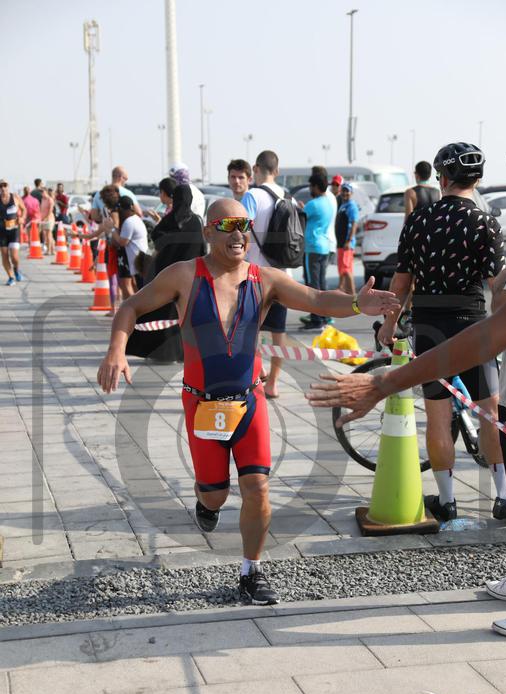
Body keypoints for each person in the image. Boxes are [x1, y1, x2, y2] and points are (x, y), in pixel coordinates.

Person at [97, 198, 399, 605]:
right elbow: (131, 306)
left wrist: (359, 304)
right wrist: (116, 349)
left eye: (245, 224)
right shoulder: (184, 275)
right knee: (215, 495)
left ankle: (250, 571)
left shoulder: (265, 279)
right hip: (202, 404)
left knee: (257, 486)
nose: (239, 234)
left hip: (249, 399)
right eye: (228, 225)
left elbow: (315, 299)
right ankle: (206, 502)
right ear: (209, 232)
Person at [376, 141, 506, 524]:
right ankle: (505, 496)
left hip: (428, 327)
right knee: (489, 412)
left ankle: (447, 500)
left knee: (437, 415)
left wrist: (389, 324)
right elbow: (498, 285)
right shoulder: (486, 222)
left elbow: (401, 282)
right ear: (477, 180)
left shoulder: (418, 220)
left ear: (442, 177)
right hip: (474, 326)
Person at [127, 180, 206, 363]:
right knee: (184, 315)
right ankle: (183, 353)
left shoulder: (169, 220)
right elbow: (202, 249)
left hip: (166, 275)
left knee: (162, 313)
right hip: (189, 277)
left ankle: (160, 353)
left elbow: (156, 238)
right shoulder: (196, 221)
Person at [241, 150, 288, 399]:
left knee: (251, 330)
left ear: (255, 169)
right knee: (278, 332)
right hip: (281, 275)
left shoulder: (252, 195)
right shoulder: (285, 195)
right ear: (277, 171)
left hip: (255, 274)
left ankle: (256, 375)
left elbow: (243, 233)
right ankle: (273, 383)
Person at [299, 171, 334, 331]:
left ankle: (316, 319)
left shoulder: (313, 204)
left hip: (312, 247)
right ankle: (325, 316)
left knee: (312, 285)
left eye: (311, 186)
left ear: (316, 187)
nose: (310, 189)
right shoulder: (328, 203)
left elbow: (301, 215)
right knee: (321, 284)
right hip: (324, 247)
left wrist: (300, 207)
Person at [102, 194, 146, 300]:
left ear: (122, 209)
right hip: (138, 260)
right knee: (136, 286)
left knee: (131, 286)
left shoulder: (129, 222)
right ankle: (136, 307)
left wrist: (112, 229)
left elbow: (122, 242)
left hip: (136, 260)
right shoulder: (135, 219)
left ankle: (133, 307)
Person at [0, 180, 26, 285]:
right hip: (1, 231)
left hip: (14, 230)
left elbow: (24, 210)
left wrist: (22, 218)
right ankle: (10, 277)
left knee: (14, 257)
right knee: (4, 255)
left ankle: (16, 270)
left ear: (8, 186)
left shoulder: (15, 197)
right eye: (0, 186)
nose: (3, 188)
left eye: (4, 185)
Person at [335, 183, 359, 295]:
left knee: (347, 270)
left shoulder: (351, 206)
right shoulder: (343, 205)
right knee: (342, 270)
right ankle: (342, 292)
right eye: (343, 191)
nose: (345, 193)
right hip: (341, 244)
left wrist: (349, 241)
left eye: (347, 191)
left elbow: (354, 223)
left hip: (346, 244)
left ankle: (353, 297)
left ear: (351, 193)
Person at [40, 187, 55, 256]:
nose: (42, 194)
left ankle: (49, 250)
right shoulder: (42, 199)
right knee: (48, 235)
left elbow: (50, 210)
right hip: (43, 219)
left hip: (49, 219)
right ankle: (52, 250)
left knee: (48, 234)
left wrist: (46, 218)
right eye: (41, 192)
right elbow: (41, 209)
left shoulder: (50, 199)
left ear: (46, 192)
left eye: (43, 192)